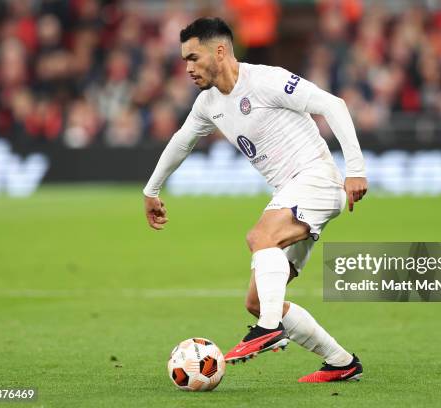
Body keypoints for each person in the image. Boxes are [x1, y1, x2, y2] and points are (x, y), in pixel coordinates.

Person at [143, 17, 367, 383]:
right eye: (184, 60)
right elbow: (182, 141)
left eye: (193, 58)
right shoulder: (208, 104)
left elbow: (334, 105)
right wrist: (151, 190)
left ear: (220, 51)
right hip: (291, 193)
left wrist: (355, 169)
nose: (188, 68)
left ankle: (268, 330)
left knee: (259, 237)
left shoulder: (267, 80)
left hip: (317, 179)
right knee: (258, 300)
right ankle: (341, 362)